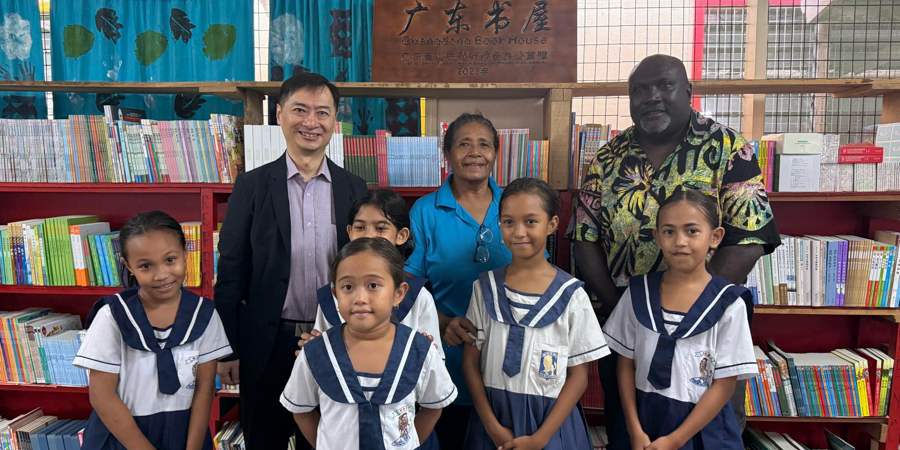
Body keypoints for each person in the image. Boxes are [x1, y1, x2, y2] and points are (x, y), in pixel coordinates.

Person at [569, 54, 780, 445]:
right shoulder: (606, 158)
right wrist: (626, 308)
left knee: (708, 433)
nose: (652, 96)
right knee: (630, 430)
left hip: (708, 331)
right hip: (628, 328)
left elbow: (750, 238)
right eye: (640, 90)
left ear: (688, 91)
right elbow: (584, 237)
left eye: (664, 85)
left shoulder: (728, 147)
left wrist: (696, 309)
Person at [214, 72, 368, 449]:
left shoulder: (354, 188)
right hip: (267, 345)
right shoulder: (251, 186)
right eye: (300, 110)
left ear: (334, 120)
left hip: (335, 339)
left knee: (328, 440)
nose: (311, 122)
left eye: (322, 112)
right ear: (280, 114)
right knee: (264, 440)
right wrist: (228, 349)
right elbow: (230, 272)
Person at [462, 178, 610, 450]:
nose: (519, 232)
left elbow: (579, 377)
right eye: (508, 222)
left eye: (530, 221)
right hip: (493, 421)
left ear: (552, 225)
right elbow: (470, 364)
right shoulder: (484, 289)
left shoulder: (572, 295)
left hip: (552, 426)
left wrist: (541, 439)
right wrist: (493, 428)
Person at [604, 190, 756, 449]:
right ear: (657, 237)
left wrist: (676, 439)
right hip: (642, 422)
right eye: (669, 231)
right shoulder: (638, 293)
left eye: (692, 231)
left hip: (701, 430)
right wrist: (634, 429)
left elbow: (724, 385)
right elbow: (625, 365)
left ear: (715, 237)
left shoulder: (729, 304)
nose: (680, 241)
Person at [74, 211, 232, 450]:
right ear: (128, 266)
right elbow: (101, 396)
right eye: (146, 265)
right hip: (122, 436)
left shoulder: (204, 314)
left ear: (185, 253)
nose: (161, 275)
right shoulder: (112, 316)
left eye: (170, 260)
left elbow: (203, 391)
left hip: (184, 432)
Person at [281, 238, 457, 449]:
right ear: (335, 294)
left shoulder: (421, 350)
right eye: (348, 287)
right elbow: (301, 411)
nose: (360, 298)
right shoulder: (315, 352)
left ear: (398, 294)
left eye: (373, 285)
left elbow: (433, 407)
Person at [406, 112, 513, 448]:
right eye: (463, 144)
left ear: (496, 153)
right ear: (447, 153)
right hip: (445, 359)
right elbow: (406, 287)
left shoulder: (515, 205)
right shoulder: (425, 211)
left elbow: (539, 275)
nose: (474, 152)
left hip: (509, 364)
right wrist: (442, 323)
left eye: (484, 144)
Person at [300, 189, 443, 359]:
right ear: (350, 232)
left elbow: (434, 365)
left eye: (380, 228)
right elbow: (322, 354)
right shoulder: (331, 296)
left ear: (401, 235)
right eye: (360, 227)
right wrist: (312, 354)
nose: (368, 236)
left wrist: (427, 358)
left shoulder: (419, 297)